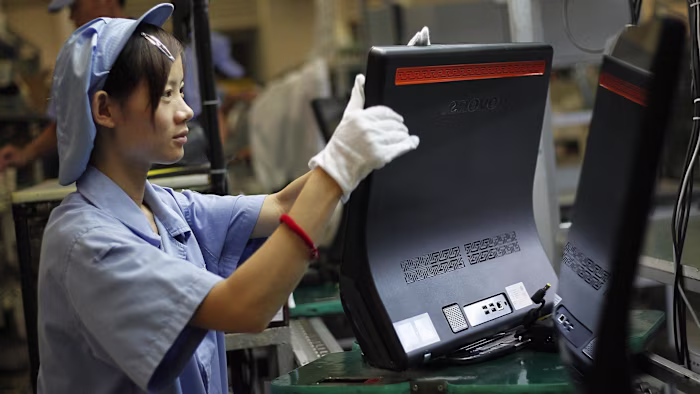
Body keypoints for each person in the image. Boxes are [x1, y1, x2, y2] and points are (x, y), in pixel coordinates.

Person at [37, 4, 423, 393]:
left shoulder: (168, 209)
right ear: (105, 109)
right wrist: (336, 169)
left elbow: (281, 206)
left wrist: (375, 116)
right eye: (166, 94)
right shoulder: (86, 244)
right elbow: (244, 307)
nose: (187, 110)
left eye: (182, 91)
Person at [0, 0, 240, 172]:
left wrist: (214, 170)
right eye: (166, 93)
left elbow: (212, 118)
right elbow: (63, 123)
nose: (71, 17)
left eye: (74, 7)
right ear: (104, 109)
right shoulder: (77, 63)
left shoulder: (164, 51)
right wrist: (26, 154)